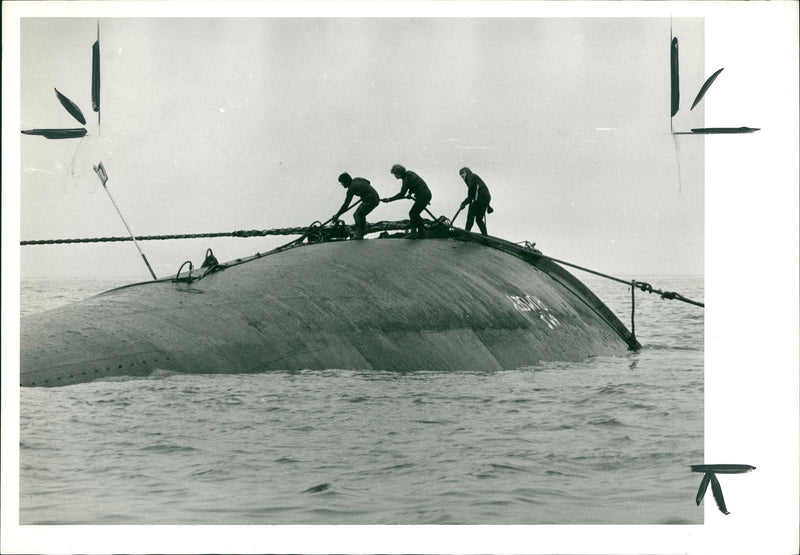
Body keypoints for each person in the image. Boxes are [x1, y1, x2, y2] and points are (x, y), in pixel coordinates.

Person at [381, 164, 432, 238]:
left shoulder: (406, 179)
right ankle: (421, 233)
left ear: (399, 173)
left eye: (395, 174)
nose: (395, 176)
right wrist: (410, 193)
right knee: (415, 213)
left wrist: (389, 199)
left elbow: (401, 194)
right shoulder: (409, 174)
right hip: (425, 195)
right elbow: (414, 183)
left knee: (413, 213)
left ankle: (413, 234)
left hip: (423, 195)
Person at [333, 172, 380, 239]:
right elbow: (368, 182)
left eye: (342, 183)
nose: (342, 184)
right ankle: (362, 232)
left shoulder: (351, 189)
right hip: (376, 197)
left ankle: (359, 235)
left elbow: (346, 205)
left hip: (370, 200)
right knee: (361, 214)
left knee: (357, 214)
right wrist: (364, 192)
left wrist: (337, 215)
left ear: (345, 182)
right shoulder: (357, 179)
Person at [458, 167, 492, 236]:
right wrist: (465, 202)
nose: (462, 176)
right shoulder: (473, 178)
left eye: (462, 173)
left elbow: (471, 190)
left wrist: (464, 203)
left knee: (470, 216)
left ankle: (466, 234)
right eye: (460, 174)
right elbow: (473, 193)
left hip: (480, 197)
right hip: (485, 198)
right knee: (479, 219)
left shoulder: (471, 176)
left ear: (467, 172)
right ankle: (485, 237)